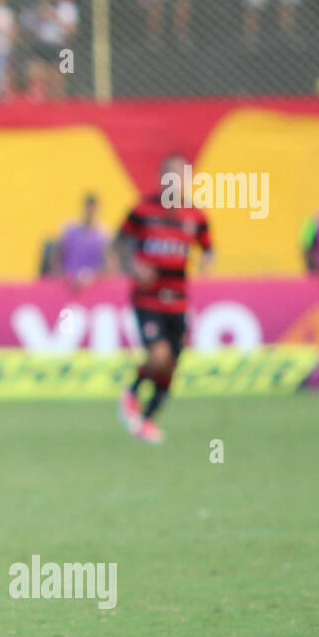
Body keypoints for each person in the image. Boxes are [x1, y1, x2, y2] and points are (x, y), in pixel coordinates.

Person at [111, 154, 214, 445]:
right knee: (158, 355)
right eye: (170, 177)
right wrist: (134, 265)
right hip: (148, 299)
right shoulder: (143, 211)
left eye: (181, 177)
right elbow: (119, 244)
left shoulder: (196, 216)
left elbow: (208, 248)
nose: (176, 183)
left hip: (178, 301)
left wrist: (207, 260)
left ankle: (147, 418)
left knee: (170, 365)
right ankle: (131, 393)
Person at [57, 193, 108, 285]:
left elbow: (107, 262)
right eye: (88, 208)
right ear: (84, 208)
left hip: (94, 282)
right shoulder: (69, 230)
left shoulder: (103, 234)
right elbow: (59, 256)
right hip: (69, 281)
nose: (90, 212)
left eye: (93, 209)